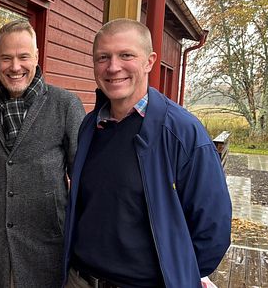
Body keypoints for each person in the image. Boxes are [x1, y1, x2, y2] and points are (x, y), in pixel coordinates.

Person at [62, 18, 232, 288]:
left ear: (149, 61)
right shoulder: (91, 126)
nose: (113, 67)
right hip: (80, 279)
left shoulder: (182, 132)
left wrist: (177, 275)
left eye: (126, 55)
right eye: (102, 57)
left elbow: (213, 229)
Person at [0, 19, 85, 288]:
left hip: (48, 244)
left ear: (36, 56)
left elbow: (82, 177)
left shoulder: (65, 105)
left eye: (23, 57)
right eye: (6, 58)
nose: (15, 67)